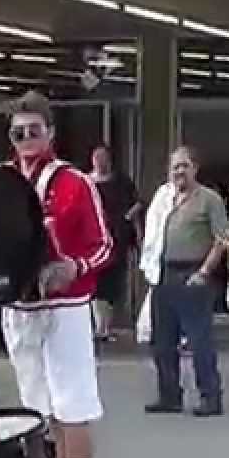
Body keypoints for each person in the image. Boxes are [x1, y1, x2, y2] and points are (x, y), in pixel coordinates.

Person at [0, 91, 111, 458]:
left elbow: (104, 245)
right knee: (36, 407)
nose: (26, 139)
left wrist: (74, 267)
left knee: (72, 402)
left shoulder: (74, 182)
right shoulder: (1, 182)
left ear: (51, 132)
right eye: (18, 133)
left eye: (34, 131)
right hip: (19, 306)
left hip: (65, 306)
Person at [139, 146, 228, 417]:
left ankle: (210, 397)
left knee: (199, 341)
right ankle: (169, 395)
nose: (179, 171)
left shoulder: (209, 199)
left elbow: (222, 239)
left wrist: (203, 272)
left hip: (193, 275)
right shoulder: (165, 198)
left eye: (184, 166)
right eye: (175, 166)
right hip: (164, 275)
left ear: (195, 168)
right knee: (162, 341)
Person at [88, 144, 141, 342]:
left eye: (103, 157)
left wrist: (128, 219)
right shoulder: (87, 182)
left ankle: (105, 326)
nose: (99, 161)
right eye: (96, 157)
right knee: (96, 282)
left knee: (113, 283)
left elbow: (137, 203)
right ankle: (99, 327)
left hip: (118, 239)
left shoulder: (121, 182)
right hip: (95, 239)